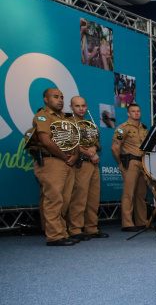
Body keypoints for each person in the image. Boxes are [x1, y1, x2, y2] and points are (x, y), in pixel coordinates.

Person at [30, 88, 78, 245]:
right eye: (56, 97)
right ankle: (54, 236)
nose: (60, 100)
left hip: (68, 162)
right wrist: (65, 156)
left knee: (65, 201)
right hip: (52, 162)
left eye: (62, 97)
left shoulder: (67, 118)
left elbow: (75, 140)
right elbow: (45, 141)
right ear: (46, 99)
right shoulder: (43, 116)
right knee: (54, 199)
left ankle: (62, 232)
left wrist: (75, 155)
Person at [66, 96, 107, 241]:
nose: (81, 109)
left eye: (83, 106)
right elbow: (70, 144)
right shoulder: (68, 124)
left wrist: (94, 149)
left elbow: (98, 144)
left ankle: (91, 228)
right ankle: (75, 229)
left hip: (93, 165)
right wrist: (89, 153)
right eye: (77, 106)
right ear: (71, 107)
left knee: (93, 198)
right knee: (79, 198)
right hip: (80, 165)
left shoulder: (90, 124)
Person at [111, 104, 148, 232]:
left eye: (138, 111)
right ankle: (127, 223)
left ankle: (141, 221)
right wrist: (120, 163)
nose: (136, 113)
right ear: (128, 113)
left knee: (141, 194)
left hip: (143, 163)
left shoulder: (144, 128)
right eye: (133, 111)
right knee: (129, 193)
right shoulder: (122, 128)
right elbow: (115, 147)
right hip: (130, 161)